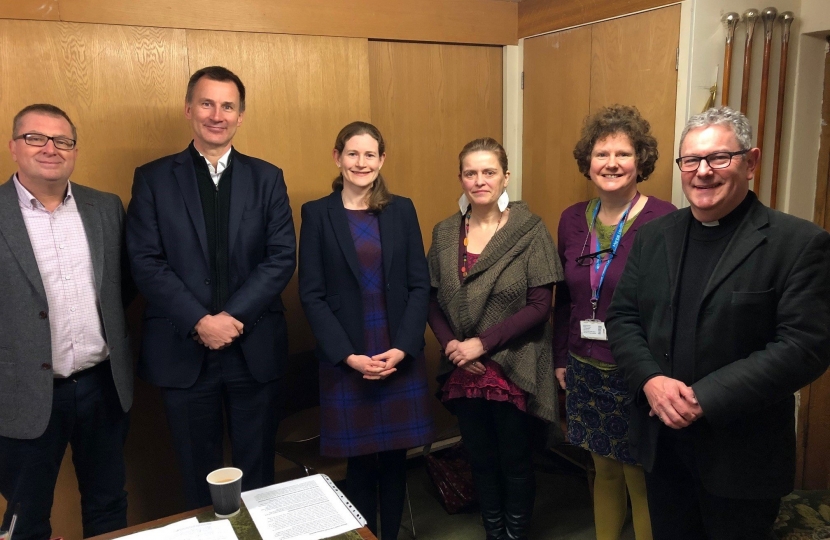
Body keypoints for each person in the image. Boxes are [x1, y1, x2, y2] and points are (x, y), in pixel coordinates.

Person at [607, 106, 830, 539]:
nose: (702, 172)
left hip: (742, 456)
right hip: (663, 446)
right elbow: (624, 316)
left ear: (751, 161)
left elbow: (804, 346)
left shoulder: (798, 244)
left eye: (719, 158)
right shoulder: (655, 236)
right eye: (691, 160)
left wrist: (703, 398)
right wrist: (650, 379)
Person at [126, 66, 296, 508]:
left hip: (253, 347)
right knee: (196, 475)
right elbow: (145, 261)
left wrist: (232, 319)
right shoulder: (153, 178)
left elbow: (280, 258)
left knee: (258, 473)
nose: (216, 114)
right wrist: (200, 321)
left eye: (227, 105)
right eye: (206, 103)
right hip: (183, 351)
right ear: (188, 109)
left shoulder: (267, 177)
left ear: (240, 116)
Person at [0, 104, 134, 540]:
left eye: (63, 140)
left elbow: (123, 288)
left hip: (102, 387)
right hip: (24, 395)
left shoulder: (105, 208)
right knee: (27, 515)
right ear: (13, 147)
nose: (51, 149)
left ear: (75, 149)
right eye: (36, 138)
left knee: (108, 503)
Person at [299, 122, 434, 539]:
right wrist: (348, 356)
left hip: (397, 354)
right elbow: (312, 294)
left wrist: (405, 348)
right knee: (357, 464)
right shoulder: (317, 213)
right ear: (337, 157)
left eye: (370, 154)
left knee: (395, 461)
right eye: (352, 153)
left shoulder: (402, 209)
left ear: (382, 160)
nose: (361, 162)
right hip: (348, 358)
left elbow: (418, 284)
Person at [427, 138, 562, 540]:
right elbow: (431, 298)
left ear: (506, 177)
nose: (480, 180)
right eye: (471, 172)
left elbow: (540, 305)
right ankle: (493, 531)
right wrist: (452, 346)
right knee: (480, 458)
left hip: (513, 362)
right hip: (463, 368)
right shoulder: (447, 232)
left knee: (516, 459)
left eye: (489, 172)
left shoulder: (530, 230)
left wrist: (481, 345)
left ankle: (515, 534)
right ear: (461, 178)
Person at [553, 105, 675, 540]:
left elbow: (669, 305)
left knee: (640, 477)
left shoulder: (665, 219)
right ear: (588, 162)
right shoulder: (571, 219)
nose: (611, 163)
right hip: (584, 368)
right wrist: (561, 358)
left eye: (623, 153)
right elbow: (565, 299)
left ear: (640, 160)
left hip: (638, 370)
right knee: (603, 470)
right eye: (601, 153)